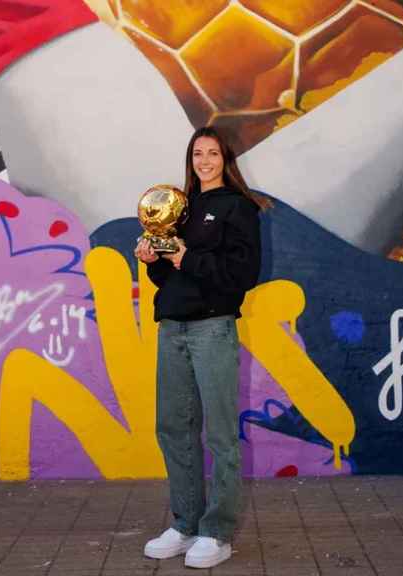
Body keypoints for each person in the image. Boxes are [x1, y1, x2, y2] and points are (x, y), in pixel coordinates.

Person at [134, 126, 271, 569]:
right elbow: (173, 278)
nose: (205, 160)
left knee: (219, 435)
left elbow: (242, 275)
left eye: (213, 153)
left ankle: (218, 531)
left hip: (212, 328)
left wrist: (183, 256)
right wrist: (154, 261)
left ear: (226, 159)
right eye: (198, 153)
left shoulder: (238, 208)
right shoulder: (180, 208)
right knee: (173, 428)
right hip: (171, 326)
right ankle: (185, 523)